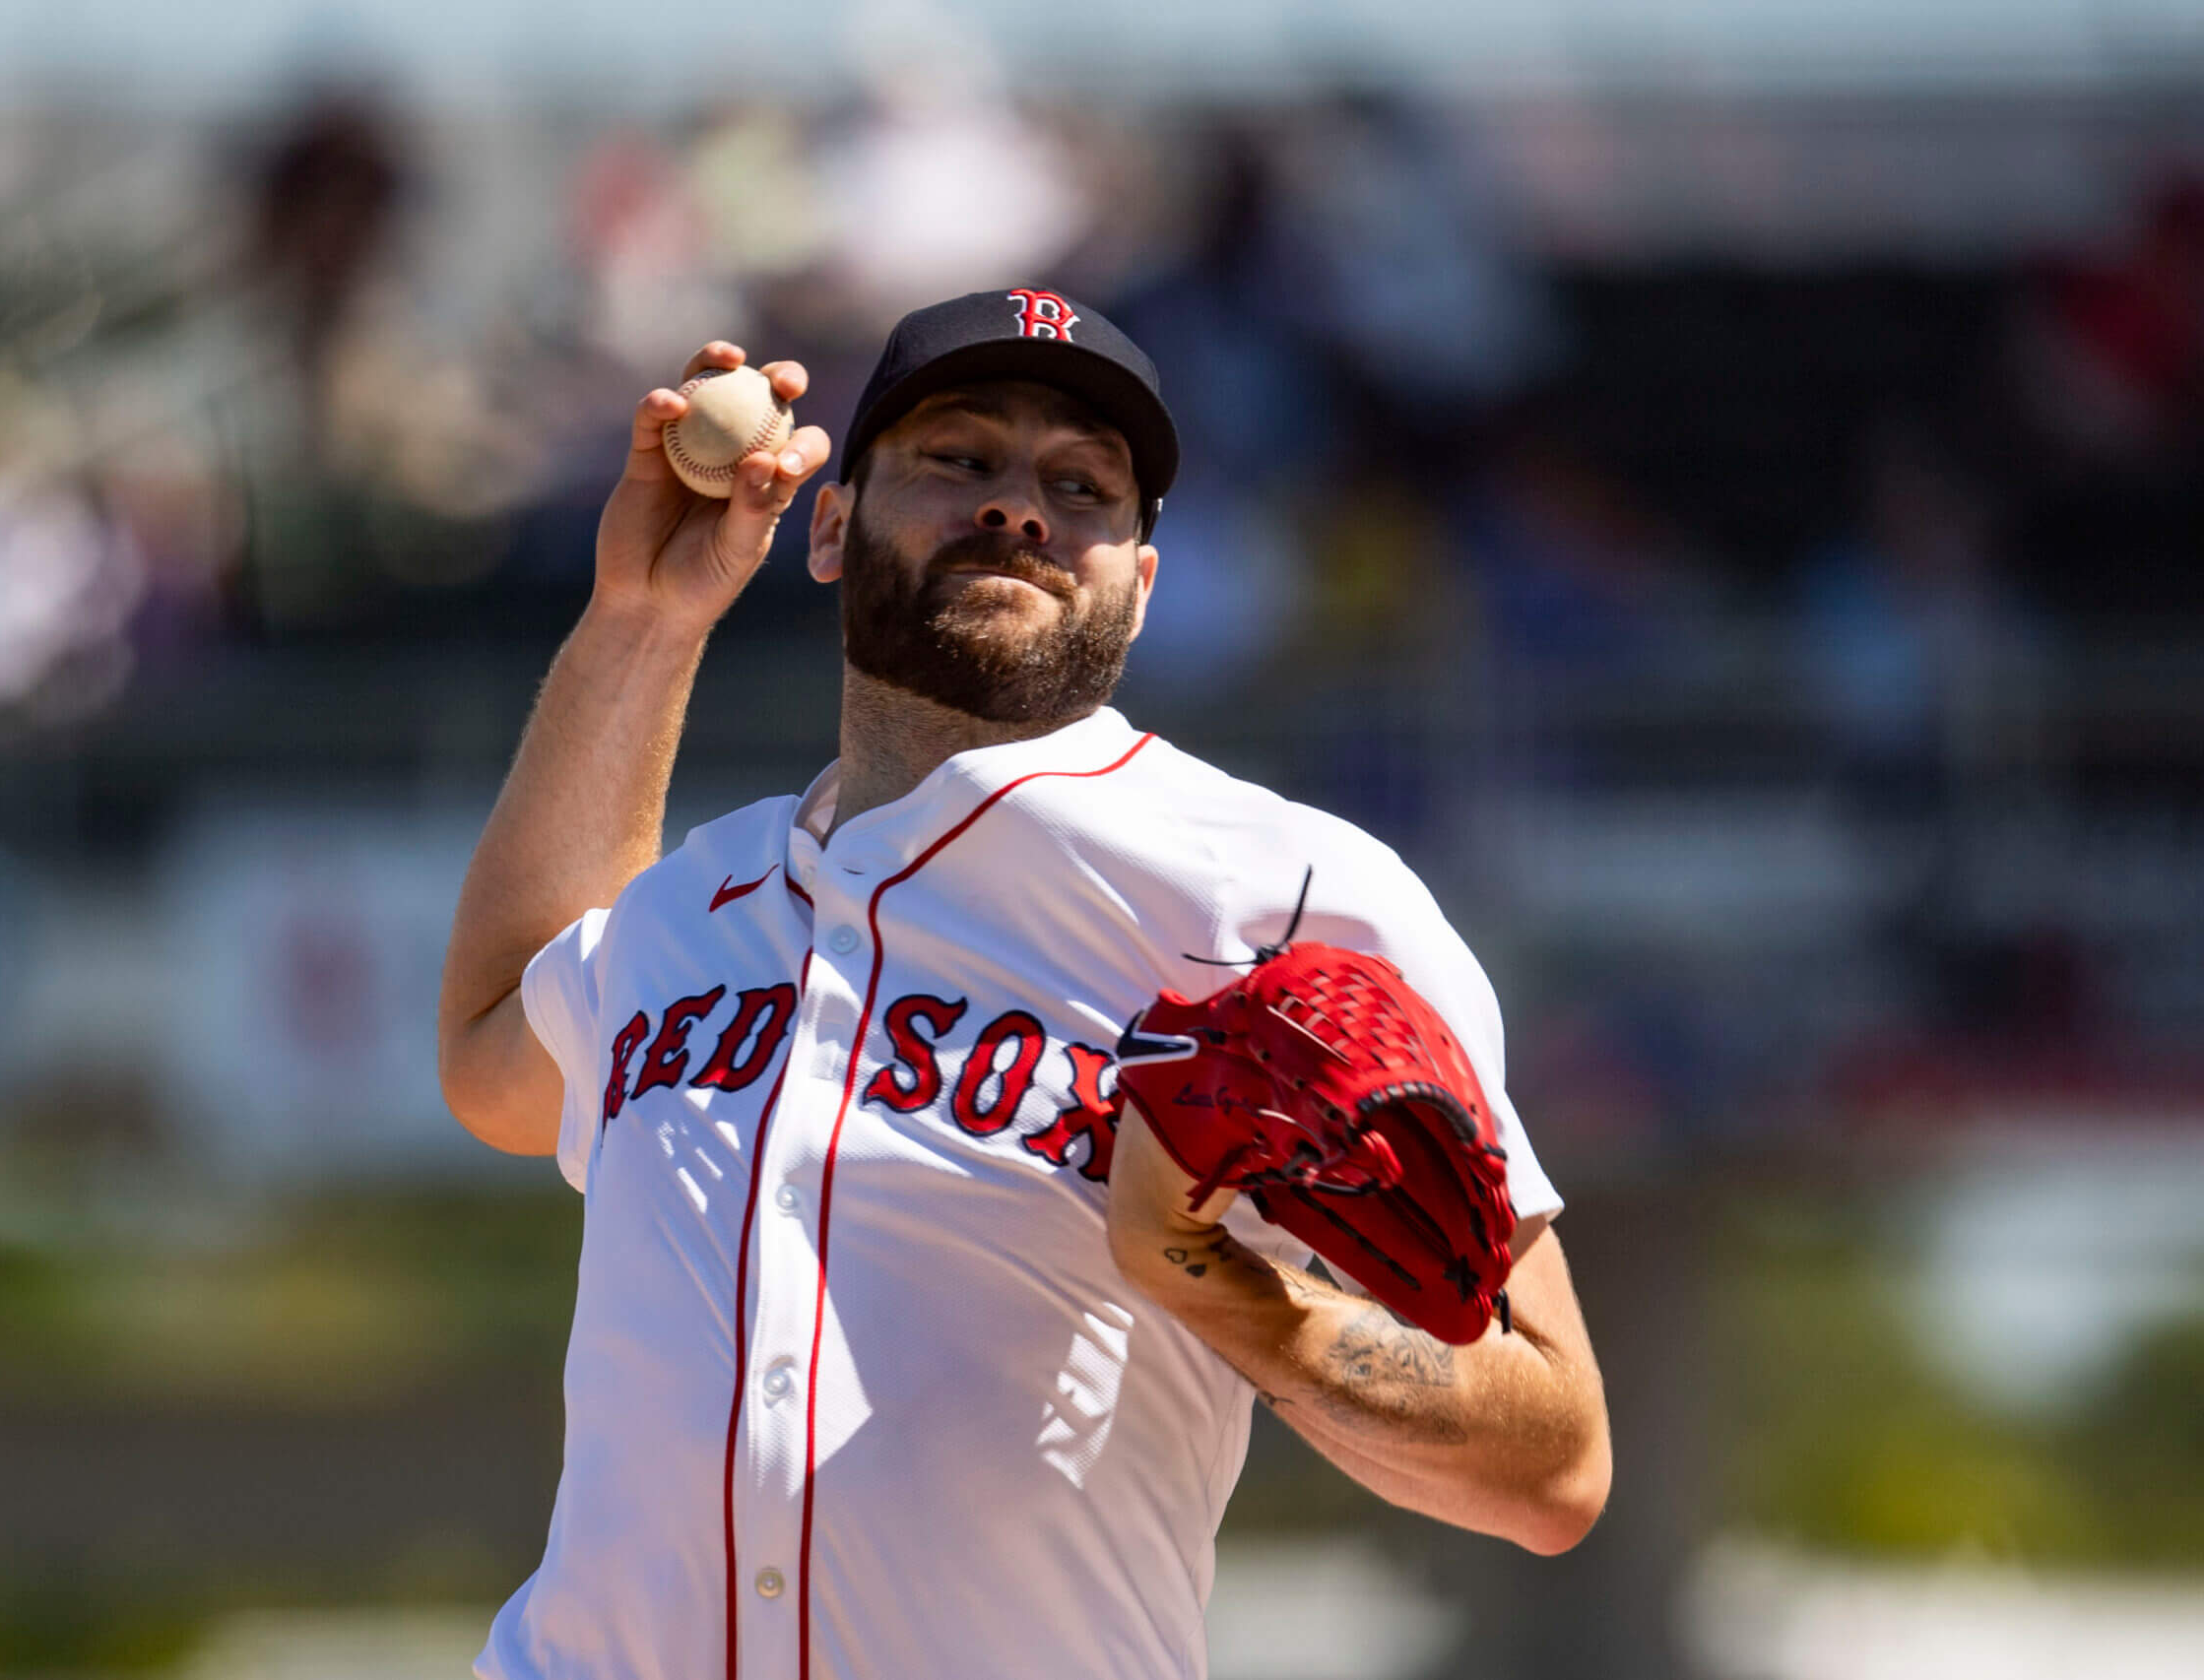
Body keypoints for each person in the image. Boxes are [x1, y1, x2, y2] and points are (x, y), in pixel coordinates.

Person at [437, 288, 1611, 1680]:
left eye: (1082, 484)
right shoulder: (697, 902)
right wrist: (641, 618)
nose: (1019, 507)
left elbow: (1554, 1458)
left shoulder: (1278, 894)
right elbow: (495, 1049)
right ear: (825, 521)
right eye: (959, 457)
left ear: (1143, 582)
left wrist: (1227, 1290)